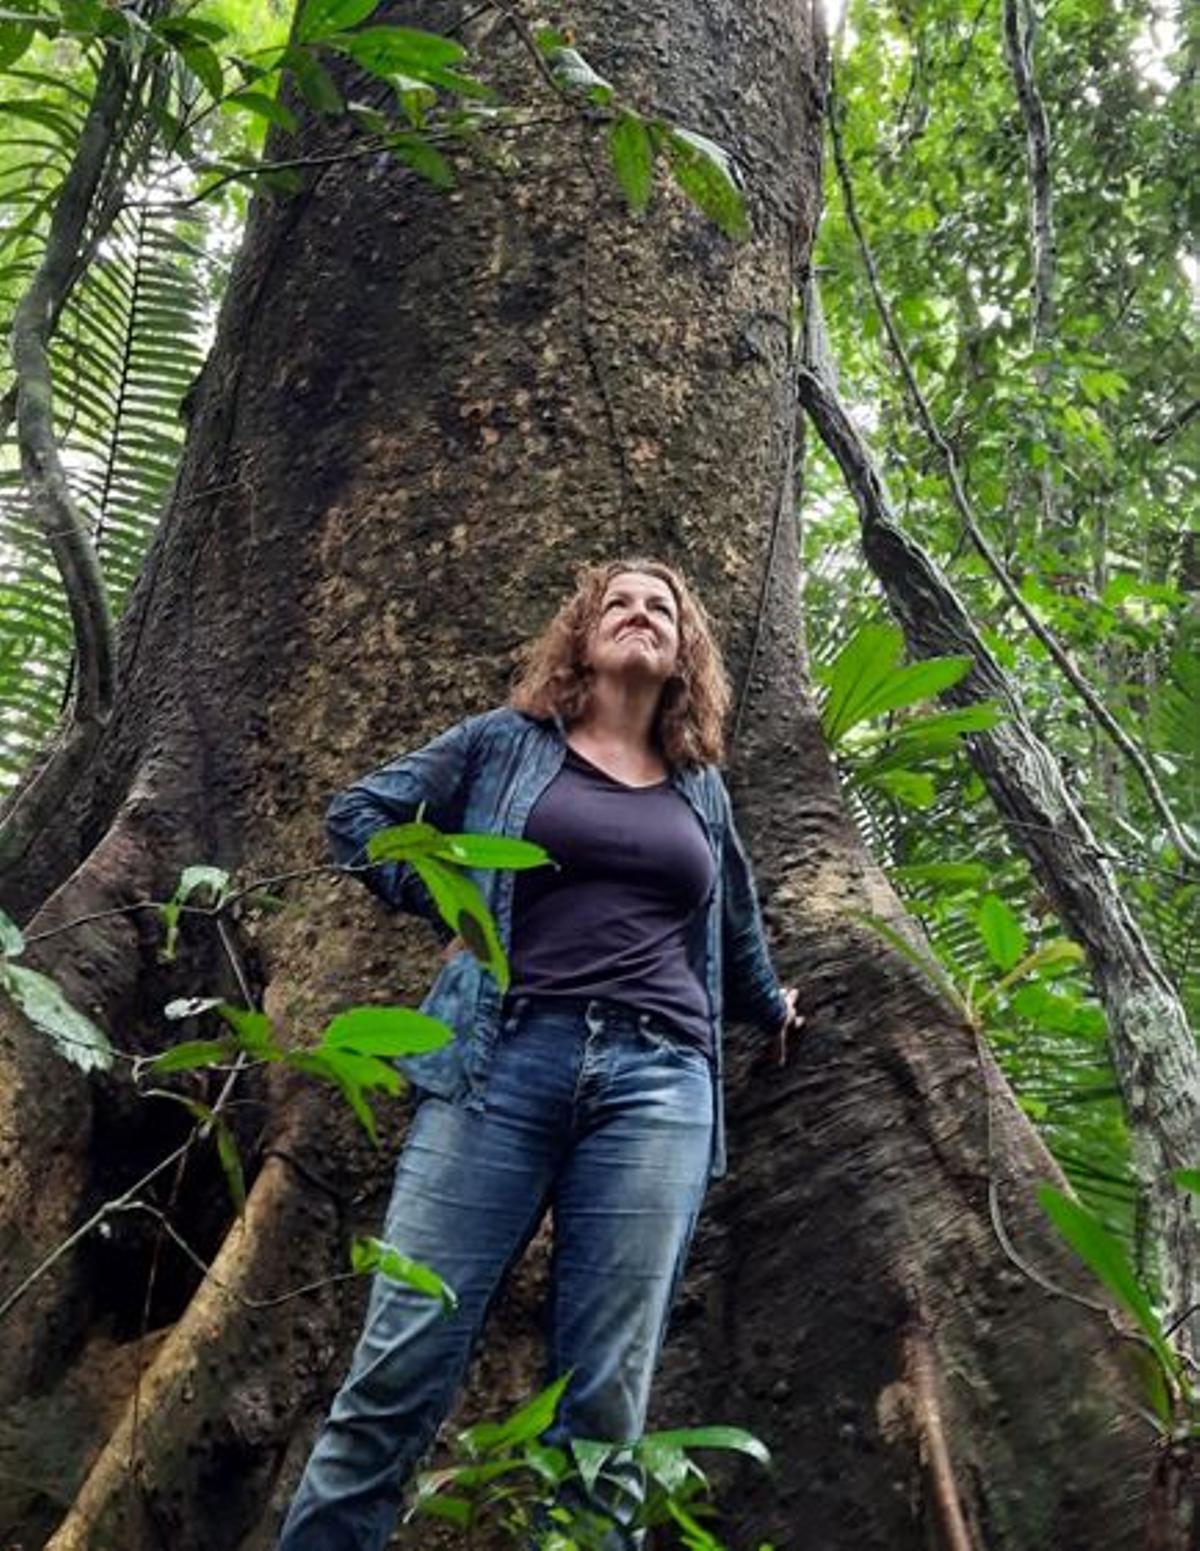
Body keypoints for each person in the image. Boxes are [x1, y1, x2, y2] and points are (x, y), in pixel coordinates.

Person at [278, 558, 801, 1551]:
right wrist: (461, 909)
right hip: (499, 1062)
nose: (642, 614)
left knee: (606, 1406)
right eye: (621, 602)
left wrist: (773, 1004)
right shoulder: (505, 746)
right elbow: (360, 819)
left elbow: (733, 932)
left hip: (658, 1085)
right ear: (582, 635)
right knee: (397, 1366)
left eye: (663, 607)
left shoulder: (703, 790)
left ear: (685, 650)